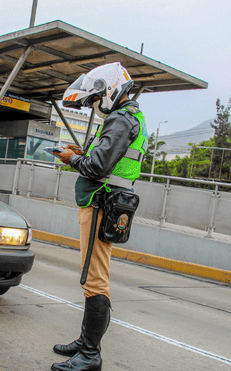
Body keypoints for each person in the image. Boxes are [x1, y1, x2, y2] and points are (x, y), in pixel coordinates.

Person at [51, 62, 148, 371]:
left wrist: (72, 159)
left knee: (94, 280)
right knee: (93, 277)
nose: (95, 104)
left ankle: (91, 354)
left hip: (100, 204)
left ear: (109, 90)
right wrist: (78, 154)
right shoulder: (130, 117)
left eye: (95, 98)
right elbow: (103, 160)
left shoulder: (121, 119)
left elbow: (97, 167)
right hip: (104, 204)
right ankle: (85, 342)